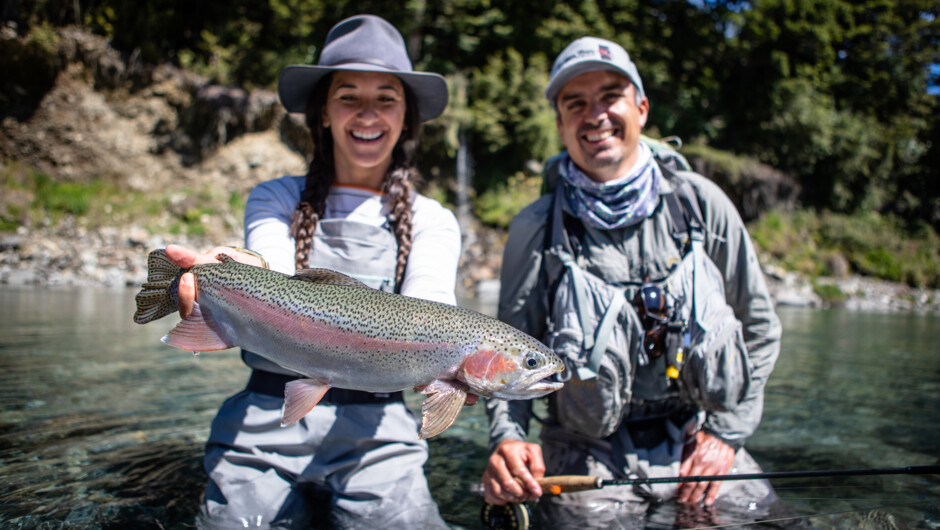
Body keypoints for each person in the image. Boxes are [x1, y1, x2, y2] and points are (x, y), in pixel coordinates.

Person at [165, 14, 460, 529]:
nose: (367, 113)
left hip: (381, 431)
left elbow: (433, 307)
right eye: (348, 96)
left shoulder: (433, 219)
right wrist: (233, 272)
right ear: (323, 113)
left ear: (407, 118)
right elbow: (270, 270)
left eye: (386, 98)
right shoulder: (276, 197)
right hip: (263, 414)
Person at [481, 36, 784, 528]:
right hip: (584, 450)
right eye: (575, 103)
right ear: (560, 125)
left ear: (641, 108)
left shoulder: (702, 204)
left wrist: (727, 435)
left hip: (696, 435)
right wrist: (508, 441)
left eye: (610, 96)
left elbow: (761, 328)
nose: (594, 114)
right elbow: (506, 349)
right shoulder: (535, 227)